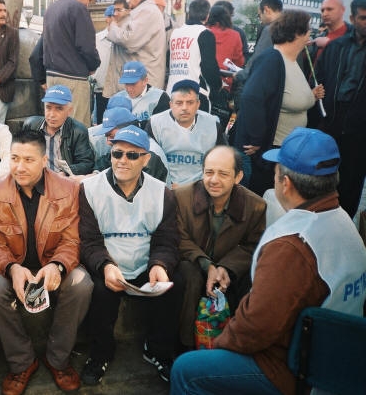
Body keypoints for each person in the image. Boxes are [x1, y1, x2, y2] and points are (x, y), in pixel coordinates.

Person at [170, 127, 366, 395]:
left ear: (285, 183)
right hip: (340, 358)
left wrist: (218, 347)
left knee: (186, 369)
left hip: (296, 368)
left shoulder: (291, 246)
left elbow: (255, 328)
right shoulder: (343, 222)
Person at [0, 129, 93, 395]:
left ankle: (58, 359)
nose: (19, 167)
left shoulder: (69, 189)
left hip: (53, 263)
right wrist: (12, 268)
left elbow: (72, 240)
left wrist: (58, 266)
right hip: (13, 265)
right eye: (14, 158)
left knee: (82, 285)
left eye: (28, 160)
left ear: (44, 160)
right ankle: (22, 362)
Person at [79, 125, 183, 384]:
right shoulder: (90, 189)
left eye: (132, 155)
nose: (122, 160)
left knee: (176, 282)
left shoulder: (162, 193)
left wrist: (159, 265)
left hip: (146, 264)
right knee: (98, 290)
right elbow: (89, 240)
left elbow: (167, 239)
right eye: (117, 153)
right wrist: (105, 265)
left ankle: (157, 349)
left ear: (146, 160)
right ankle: (101, 353)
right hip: (108, 264)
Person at [174, 145, 266, 349]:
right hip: (193, 262)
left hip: (229, 268)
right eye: (209, 172)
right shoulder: (182, 197)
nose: (214, 180)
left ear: (238, 177)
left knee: (254, 278)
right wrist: (207, 266)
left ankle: (238, 345)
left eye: (223, 174)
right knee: (189, 276)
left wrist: (225, 267)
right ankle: (184, 347)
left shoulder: (256, 206)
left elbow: (252, 245)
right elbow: (179, 237)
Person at [233, 10, 325, 197]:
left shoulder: (292, 61)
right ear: (297, 33)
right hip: (269, 152)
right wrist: (257, 139)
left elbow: (287, 96)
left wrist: (311, 96)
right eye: (308, 29)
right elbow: (251, 97)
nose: (310, 33)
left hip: (284, 148)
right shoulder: (272, 59)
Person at [315, 0, 366, 219]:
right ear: (353, 18)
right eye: (363, 18)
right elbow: (320, 79)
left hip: (360, 130)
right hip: (332, 121)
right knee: (323, 180)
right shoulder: (336, 46)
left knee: (351, 184)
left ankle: (342, 225)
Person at [149, 80, 221, 189]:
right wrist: (165, 184)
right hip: (166, 187)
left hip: (202, 187)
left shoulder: (212, 124)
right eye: (179, 103)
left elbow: (222, 159)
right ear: (171, 104)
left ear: (198, 104)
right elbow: (150, 161)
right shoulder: (155, 123)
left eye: (190, 102)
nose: (184, 108)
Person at [42, 0, 100, 127]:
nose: (88, 3)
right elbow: (86, 47)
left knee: (55, 125)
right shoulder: (78, 8)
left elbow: (41, 47)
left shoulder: (51, 9)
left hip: (52, 76)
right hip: (73, 78)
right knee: (77, 128)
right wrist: (93, 65)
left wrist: (41, 77)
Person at [21, 85, 94, 176]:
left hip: (62, 180)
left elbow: (86, 164)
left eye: (59, 109)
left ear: (69, 111)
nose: (52, 114)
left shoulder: (78, 131)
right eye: (48, 107)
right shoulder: (31, 125)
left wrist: (65, 173)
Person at [166, 0, 221, 113]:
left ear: (189, 13)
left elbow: (168, 61)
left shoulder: (175, 33)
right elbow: (209, 67)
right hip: (194, 95)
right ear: (207, 16)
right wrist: (217, 86)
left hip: (171, 93)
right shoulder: (204, 33)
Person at [106, 0, 167, 91]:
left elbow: (128, 40)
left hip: (142, 86)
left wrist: (113, 26)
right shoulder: (141, 10)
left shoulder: (148, 11)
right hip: (136, 84)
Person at [89, 106, 167, 181]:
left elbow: (136, 187)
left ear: (128, 129)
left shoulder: (150, 152)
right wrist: (95, 174)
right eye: (106, 136)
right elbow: (105, 161)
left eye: (111, 136)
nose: (108, 142)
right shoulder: (125, 145)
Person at [111, 61, 169, 129]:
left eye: (133, 84)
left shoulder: (159, 97)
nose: (129, 89)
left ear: (145, 81)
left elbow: (162, 126)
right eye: (126, 84)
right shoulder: (117, 98)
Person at [207, 5, 244, 92]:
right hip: (224, 82)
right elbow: (239, 61)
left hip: (203, 80)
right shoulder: (235, 35)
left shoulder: (203, 32)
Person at [103, 0, 131, 99]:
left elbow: (122, 39)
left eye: (119, 10)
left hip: (126, 83)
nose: (115, 13)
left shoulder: (129, 25)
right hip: (117, 83)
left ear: (128, 11)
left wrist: (113, 25)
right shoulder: (118, 26)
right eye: (114, 10)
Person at [92, 5, 115, 125]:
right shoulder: (97, 39)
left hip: (118, 89)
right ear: (107, 18)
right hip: (100, 88)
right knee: (101, 123)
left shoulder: (125, 39)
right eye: (112, 16)